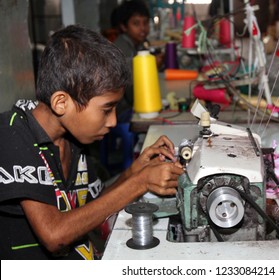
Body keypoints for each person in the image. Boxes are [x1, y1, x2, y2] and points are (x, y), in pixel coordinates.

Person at [0, 24, 184, 260]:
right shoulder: (12, 135)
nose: (113, 121)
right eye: (106, 109)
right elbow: (55, 234)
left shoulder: (73, 141)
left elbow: (93, 209)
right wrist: (140, 183)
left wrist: (133, 172)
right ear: (61, 103)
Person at [112, 0, 164, 122]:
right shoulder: (122, 49)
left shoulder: (138, 45)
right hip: (122, 110)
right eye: (136, 23)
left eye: (145, 23)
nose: (143, 28)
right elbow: (132, 95)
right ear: (124, 26)